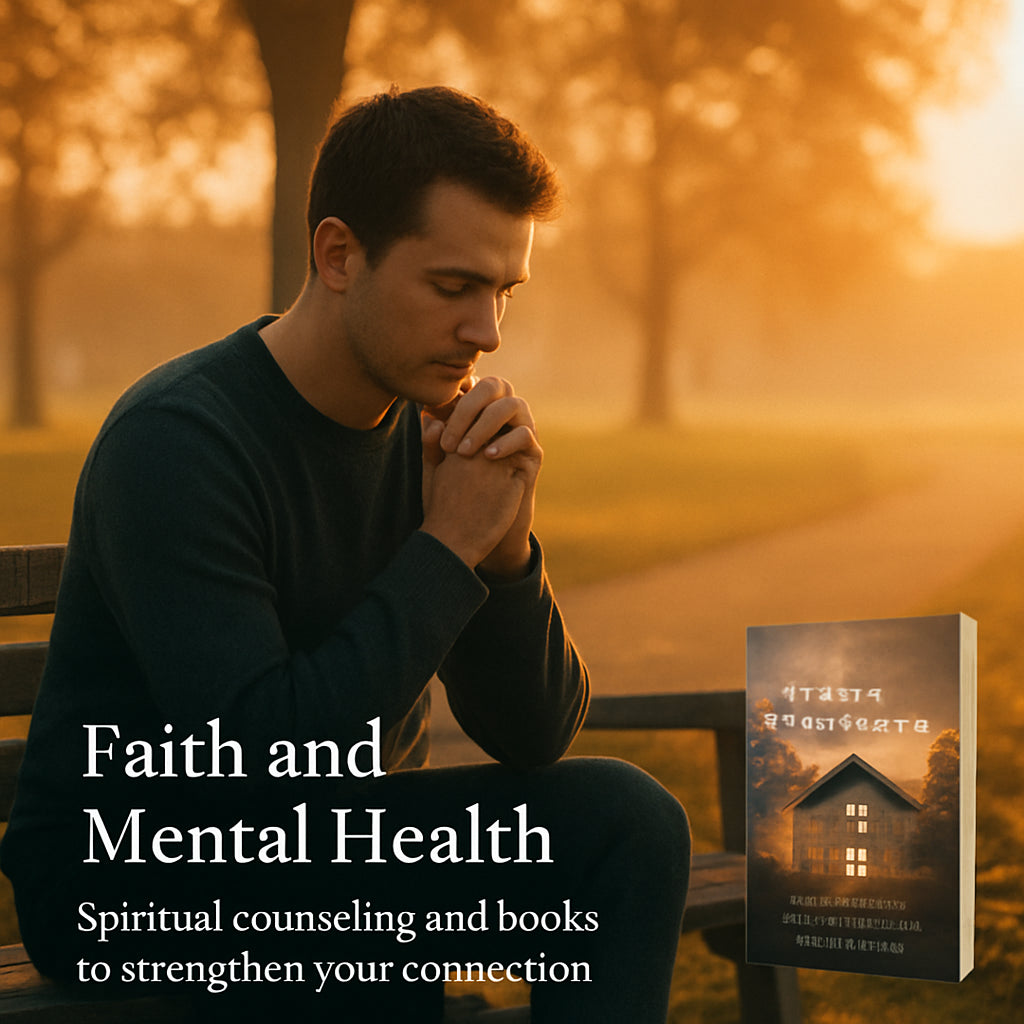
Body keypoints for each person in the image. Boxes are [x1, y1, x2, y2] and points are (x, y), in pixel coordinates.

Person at [2, 86, 689, 1022]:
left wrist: (504, 548)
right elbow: (263, 763)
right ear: (337, 255)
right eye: (454, 287)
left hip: (334, 855)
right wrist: (448, 544)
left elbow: (534, 736)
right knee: (369, 945)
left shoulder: (433, 431)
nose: (486, 332)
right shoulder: (178, 441)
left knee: (630, 823)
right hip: (140, 878)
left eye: (503, 292)